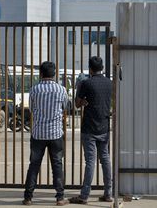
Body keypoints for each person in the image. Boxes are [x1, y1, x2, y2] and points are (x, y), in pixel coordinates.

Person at [22, 61, 69, 206]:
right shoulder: (61, 89)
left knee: (34, 165)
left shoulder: (34, 89)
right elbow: (66, 106)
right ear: (54, 74)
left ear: (41, 73)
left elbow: (31, 108)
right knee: (57, 164)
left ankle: (28, 197)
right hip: (55, 133)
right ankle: (60, 197)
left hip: (38, 134)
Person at [69, 56, 113, 204]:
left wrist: (81, 96)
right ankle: (108, 193)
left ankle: (84, 195)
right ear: (102, 68)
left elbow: (77, 104)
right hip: (104, 126)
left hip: (89, 128)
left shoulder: (86, 83)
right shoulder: (109, 83)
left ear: (90, 68)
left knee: (90, 162)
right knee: (105, 159)